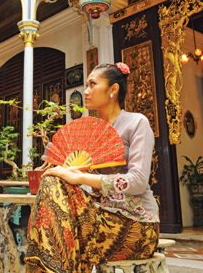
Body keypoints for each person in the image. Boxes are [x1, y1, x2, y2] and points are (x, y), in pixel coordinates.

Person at [25, 62, 159, 273]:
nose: (86, 91)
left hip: (135, 224)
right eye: (86, 85)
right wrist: (70, 174)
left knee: (62, 235)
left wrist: (81, 178)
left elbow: (138, 182)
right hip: (96, 216)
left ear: (113, 89)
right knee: (52, 183)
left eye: (93, 84)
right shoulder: (89, 128)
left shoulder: (136, 123)